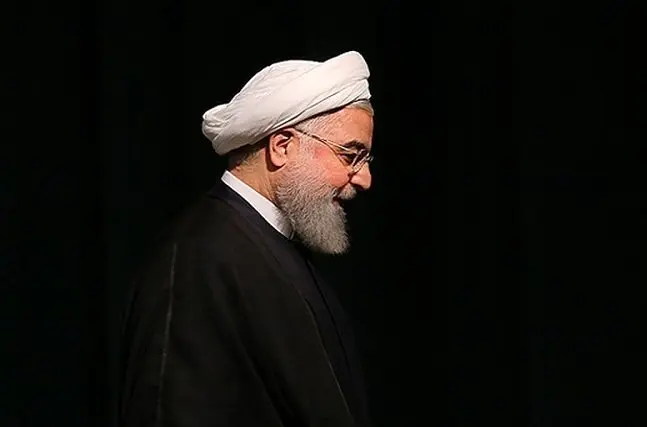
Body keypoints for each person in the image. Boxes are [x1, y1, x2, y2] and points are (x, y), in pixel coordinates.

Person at [117, 50, 375, 427]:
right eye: (351, 155)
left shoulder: (272, 244)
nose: (364, 179)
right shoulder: (198, 257)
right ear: (282, 146)